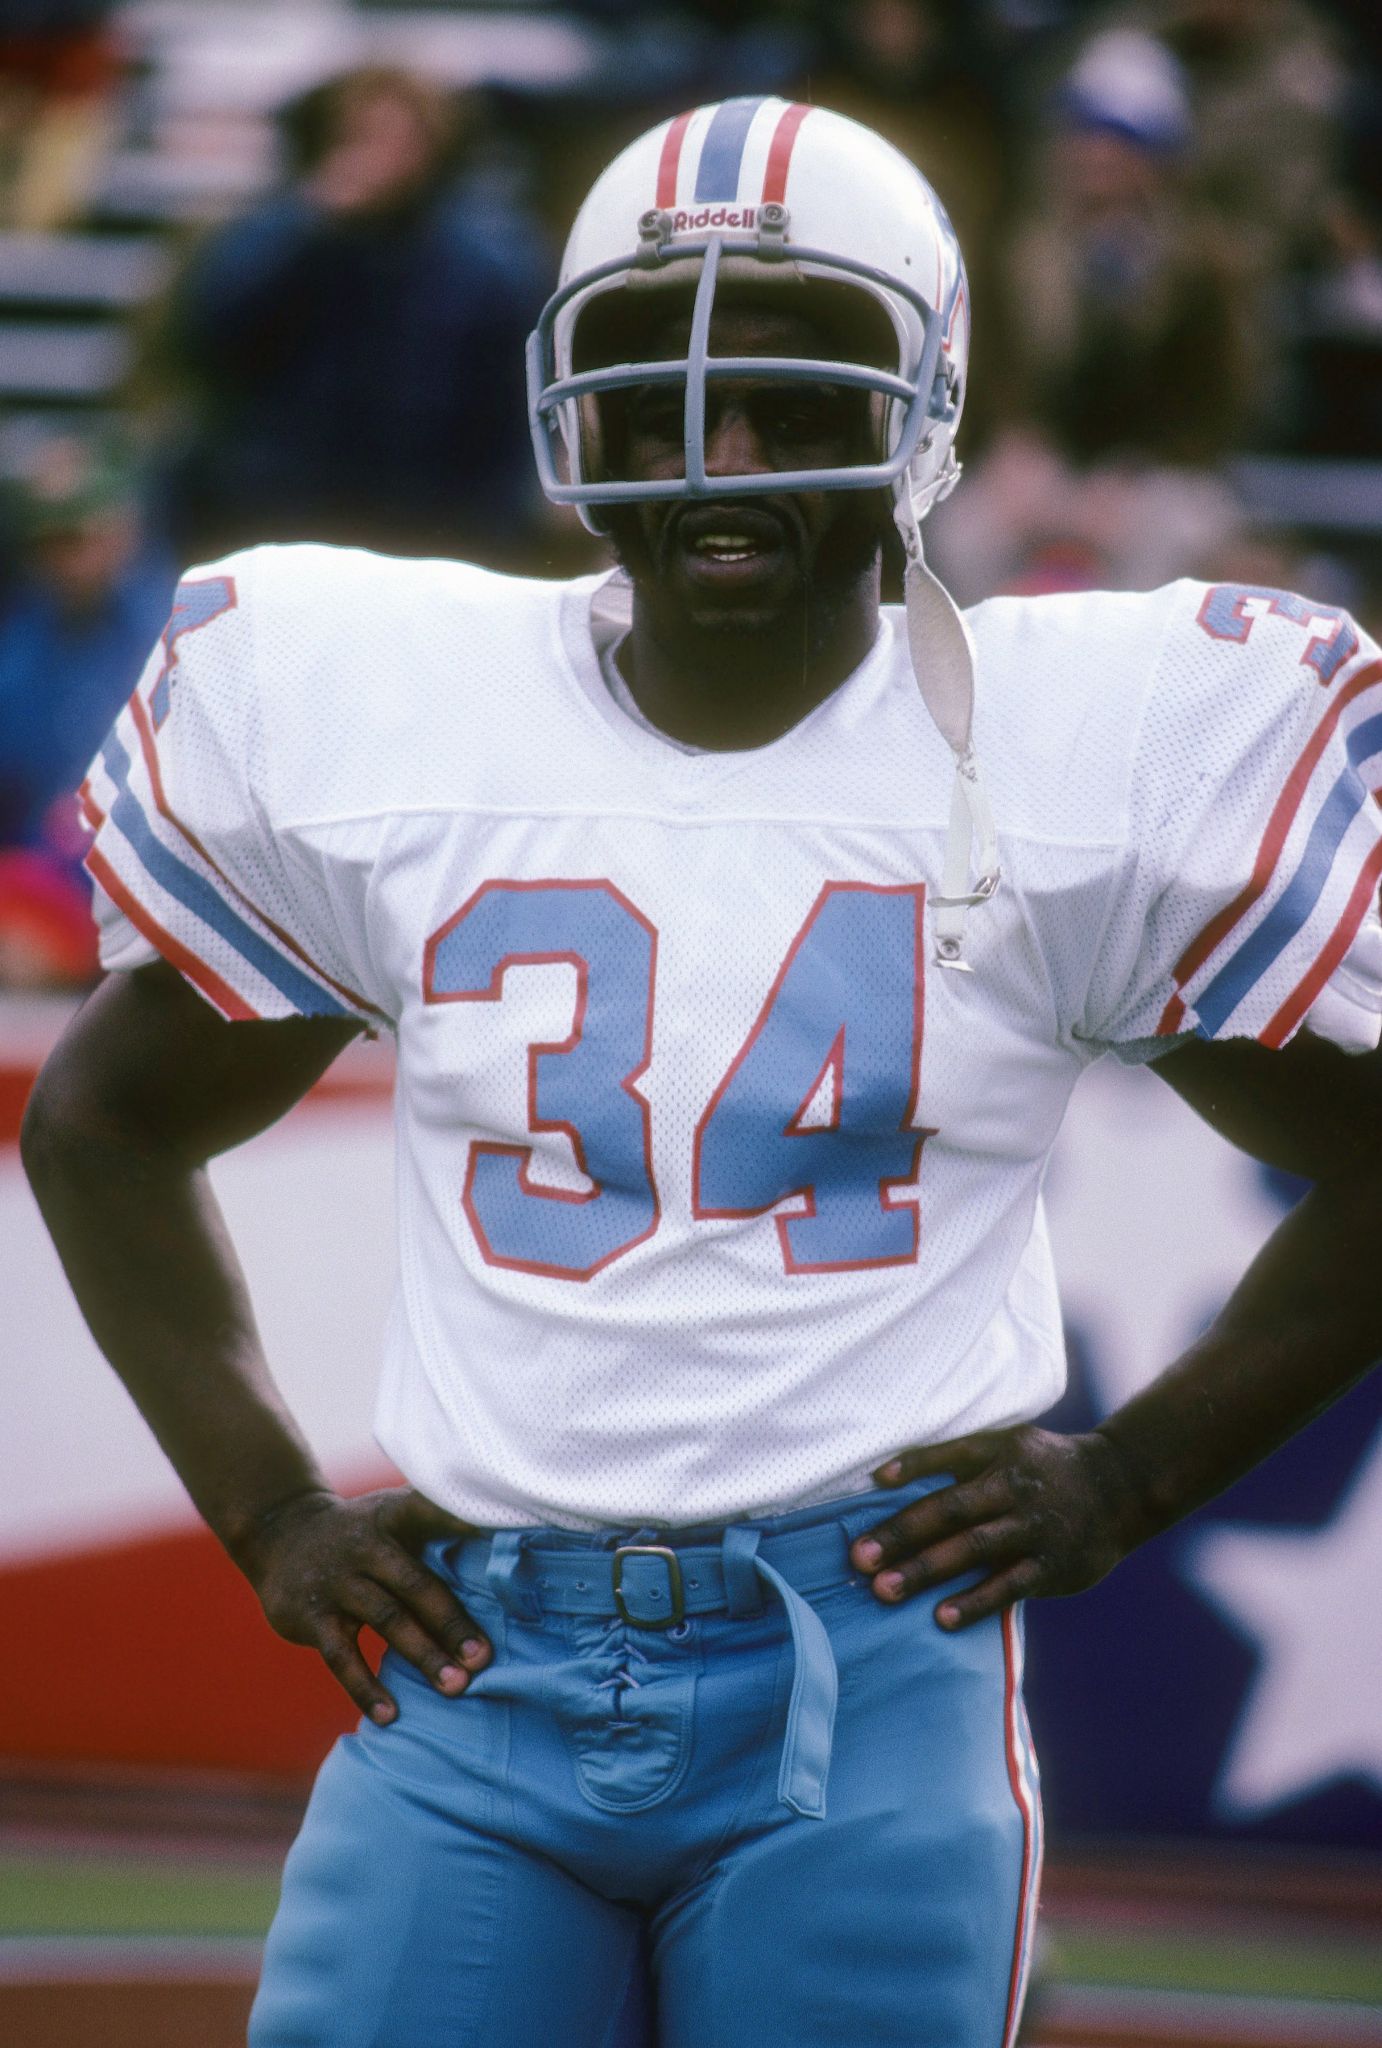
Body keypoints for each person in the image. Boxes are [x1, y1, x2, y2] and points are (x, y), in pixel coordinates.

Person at [21, 97, 1382, 2048]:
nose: (714, 454)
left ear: (914, 404)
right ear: (572, 411)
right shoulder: (405, 720)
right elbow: (102, 1124)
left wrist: (1131, 1478)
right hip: (480, 1668)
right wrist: (270, 1515)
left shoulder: (1060, 761)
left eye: (783, 392)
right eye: (657, 395)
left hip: (868, 1667)